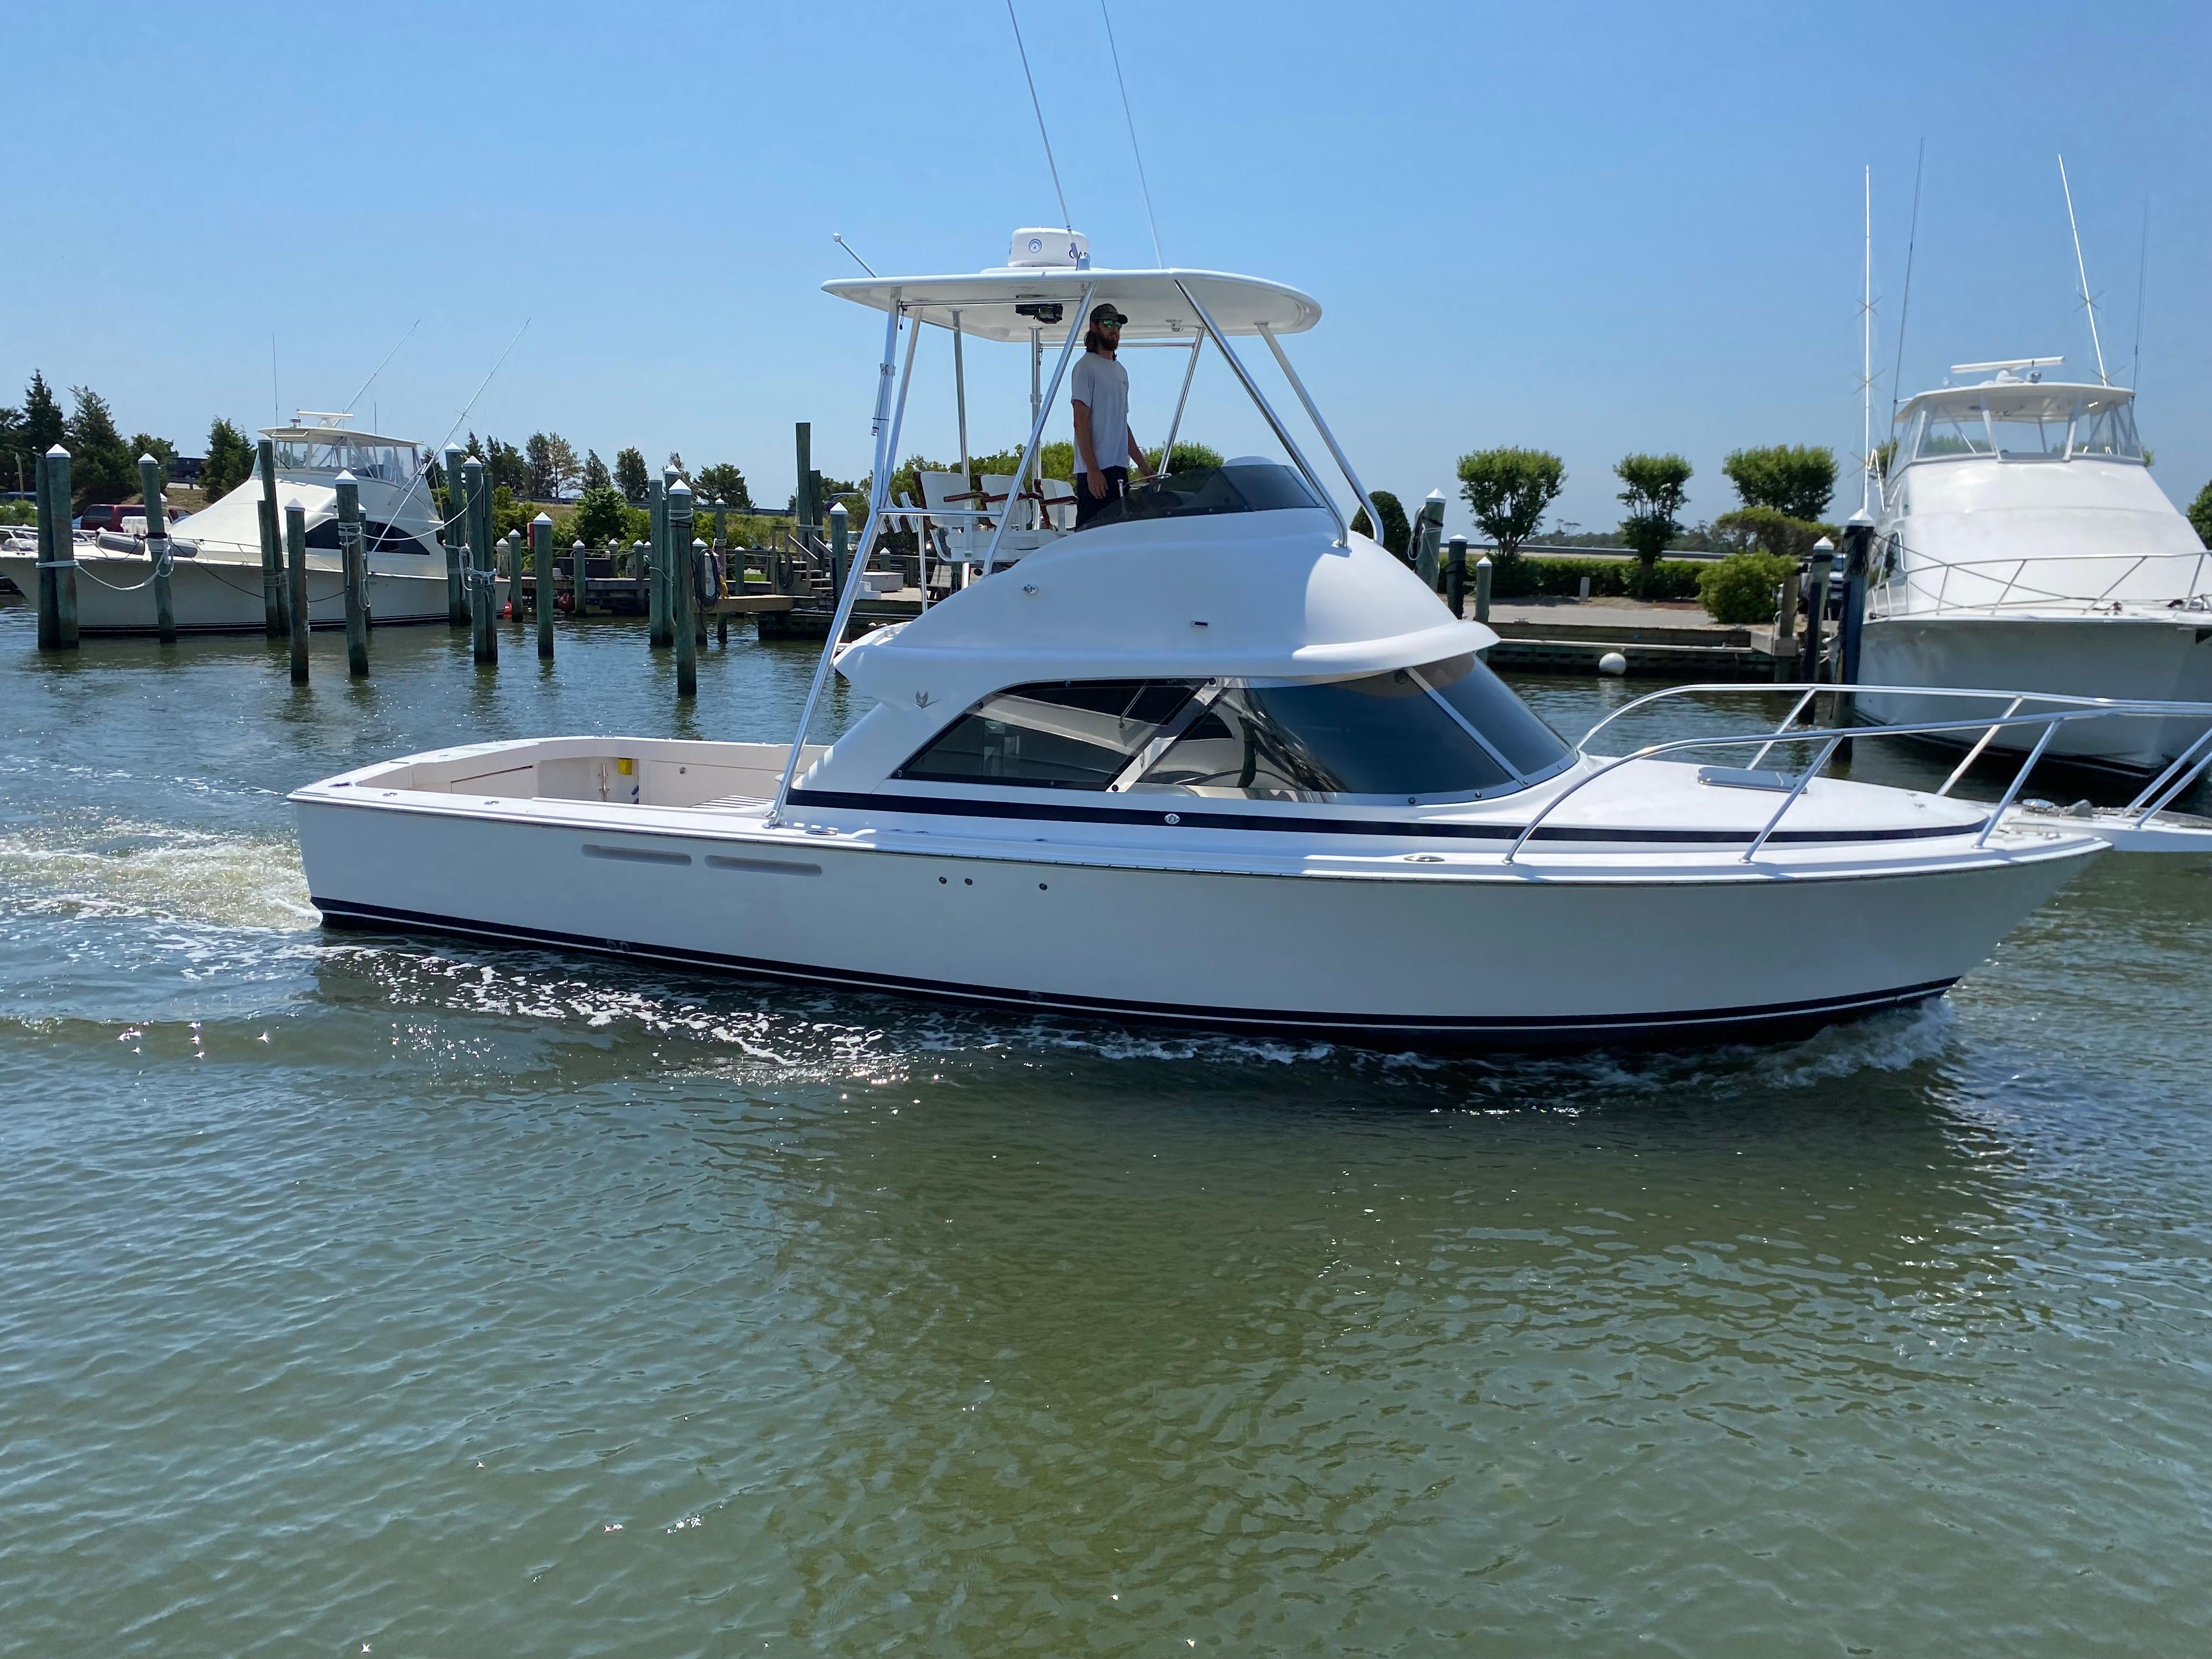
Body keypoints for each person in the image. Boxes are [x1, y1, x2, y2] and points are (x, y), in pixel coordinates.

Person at [1071, 302, 1149, 528]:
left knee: (1116, 531)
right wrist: (1093, 471)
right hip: (1095, 470)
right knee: (1089, 532)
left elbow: (1122, 425)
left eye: (1117, 325)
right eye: (1108, 323)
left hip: (1118, 467)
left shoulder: (1121, 371)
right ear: (1094, 327)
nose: (1114, 329)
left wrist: (1143, 467)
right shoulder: (1085, 367)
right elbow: (1080, 422)